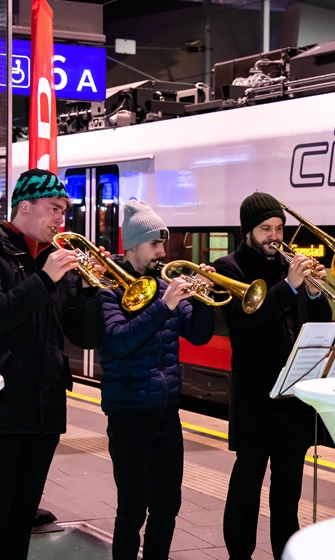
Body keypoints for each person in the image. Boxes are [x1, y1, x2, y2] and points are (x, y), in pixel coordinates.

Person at [0, 168, 104, 560]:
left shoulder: (54, 263)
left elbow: (85, 338)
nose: (60, 219)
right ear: (24, 206)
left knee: (22, 519)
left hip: (44, 410)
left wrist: (89, 292)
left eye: (63, 211)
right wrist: (45, 280)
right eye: (54, 208)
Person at [213, 192, 332, 560]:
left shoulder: (288, 266)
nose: (275, 236)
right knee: (245, 491)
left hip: (292, 401)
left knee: (287, 497)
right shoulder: (228, 268)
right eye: (266, 229)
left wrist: (313, 293)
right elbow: (245, 321)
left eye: (279, 228)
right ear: (248, 231)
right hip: (255, 398)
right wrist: (290, 286)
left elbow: (319, 325)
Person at [97, 200, 215, 560]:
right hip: (129, 415)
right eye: (154, 244)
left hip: (167, 414)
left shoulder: (166, 286)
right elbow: (118, 342)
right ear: (133, 246)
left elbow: (199, 336)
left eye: (163, 243)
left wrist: (204, 298)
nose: (162, 252)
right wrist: (164, 306)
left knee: (167, 506)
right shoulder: (109, 288)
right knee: (132, 508)